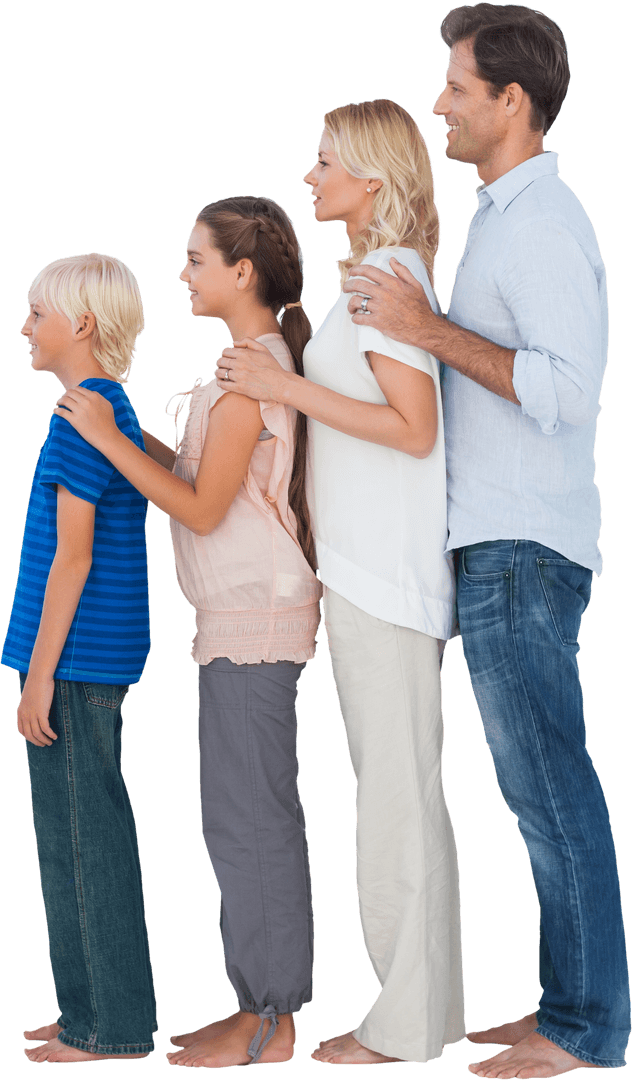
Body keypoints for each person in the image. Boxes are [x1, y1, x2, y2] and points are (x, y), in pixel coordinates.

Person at [336, 6, 630, 1078]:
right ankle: (565, 1004)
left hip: (522, 548)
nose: (439, 105)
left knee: (552, 792)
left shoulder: (544, 226)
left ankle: (585, 1031)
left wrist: (423, 335)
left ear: (512, 101)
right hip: (497, 548)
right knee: (537, 794)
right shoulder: (501, 222)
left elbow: (565, 390)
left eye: (456, 88)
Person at [217, 100, 466, 1066]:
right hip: (366, 573)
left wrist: (282, 389)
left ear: (372, 175)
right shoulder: (373, 276)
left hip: (384, 580)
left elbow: (414, 428)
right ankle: (424, 1015)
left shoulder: (387, 276)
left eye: (327, 162)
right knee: (402, 793)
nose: (311, 177)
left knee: (397, 799)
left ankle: (402, 1028)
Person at [53, 196, 322, 1068]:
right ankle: (258, 1006)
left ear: (241, 272)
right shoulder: (241, 369)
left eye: (195, 260)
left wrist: (106, 437)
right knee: (234, 819)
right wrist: (133, 435)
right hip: (232, 625)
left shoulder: (253, 374)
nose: (183, 274)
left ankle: (272, 1020)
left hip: (255, 623)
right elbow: (210, 477)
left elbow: (205, 513)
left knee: (250, 823)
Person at [2, 253, 157, 1063]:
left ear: (81, 326)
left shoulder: (83, 414)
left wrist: (37, 675)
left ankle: (114, 1028)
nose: (24, 327)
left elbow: (74, 558)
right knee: (64, 839)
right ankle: (80, 1011)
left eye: (36, 313)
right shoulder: (102, 408)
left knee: (89, 841)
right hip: (76, 657)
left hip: (72, 662)